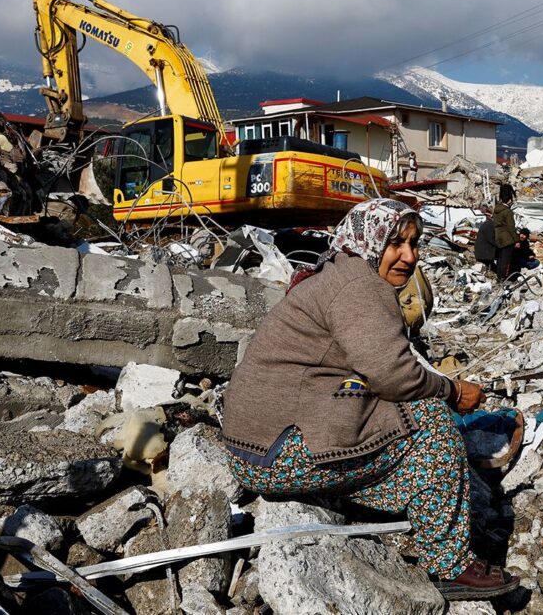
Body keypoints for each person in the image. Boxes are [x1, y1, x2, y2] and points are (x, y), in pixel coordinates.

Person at [221, 199, 520, 601]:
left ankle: (410, 503)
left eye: (414, 244)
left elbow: (370, 367)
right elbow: (393, 375)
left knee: (385, 415)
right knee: (429, 421)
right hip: (275, 453)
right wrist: (452, 392)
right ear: (371, 240)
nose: (409, 256)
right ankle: (449, 565)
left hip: (254, 446)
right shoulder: (360, 287)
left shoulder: (339, 271)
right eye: (396, 243)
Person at [493, 183, 517, 281]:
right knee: (506, 261)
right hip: (507, 238)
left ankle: (499, 277)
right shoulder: (508, 212)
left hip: (498, 236)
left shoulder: (496, 210)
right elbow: (511, 228)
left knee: (500, 259)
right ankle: (504, 278)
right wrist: (517, 240)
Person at [473, 209, 496, 273]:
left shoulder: (487, 224)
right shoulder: (490, 225)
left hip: (482, 251)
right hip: (485, 253)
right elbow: (491, 239)